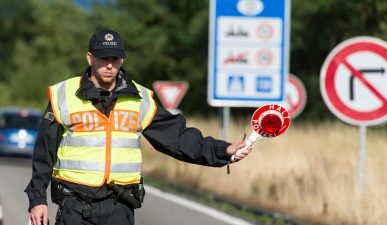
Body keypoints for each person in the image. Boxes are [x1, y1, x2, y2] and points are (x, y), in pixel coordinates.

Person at [25, 29, 252, 225]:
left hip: (119, 206)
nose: (110, 65)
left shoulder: (140, 99)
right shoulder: (63, 95)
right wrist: (37, 200)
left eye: (115, 58)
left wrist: (223, 151)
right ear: (90, 58)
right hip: (74, 204)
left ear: (122, 60)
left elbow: (177, 138)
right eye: (104, 58)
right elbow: (44, 152)